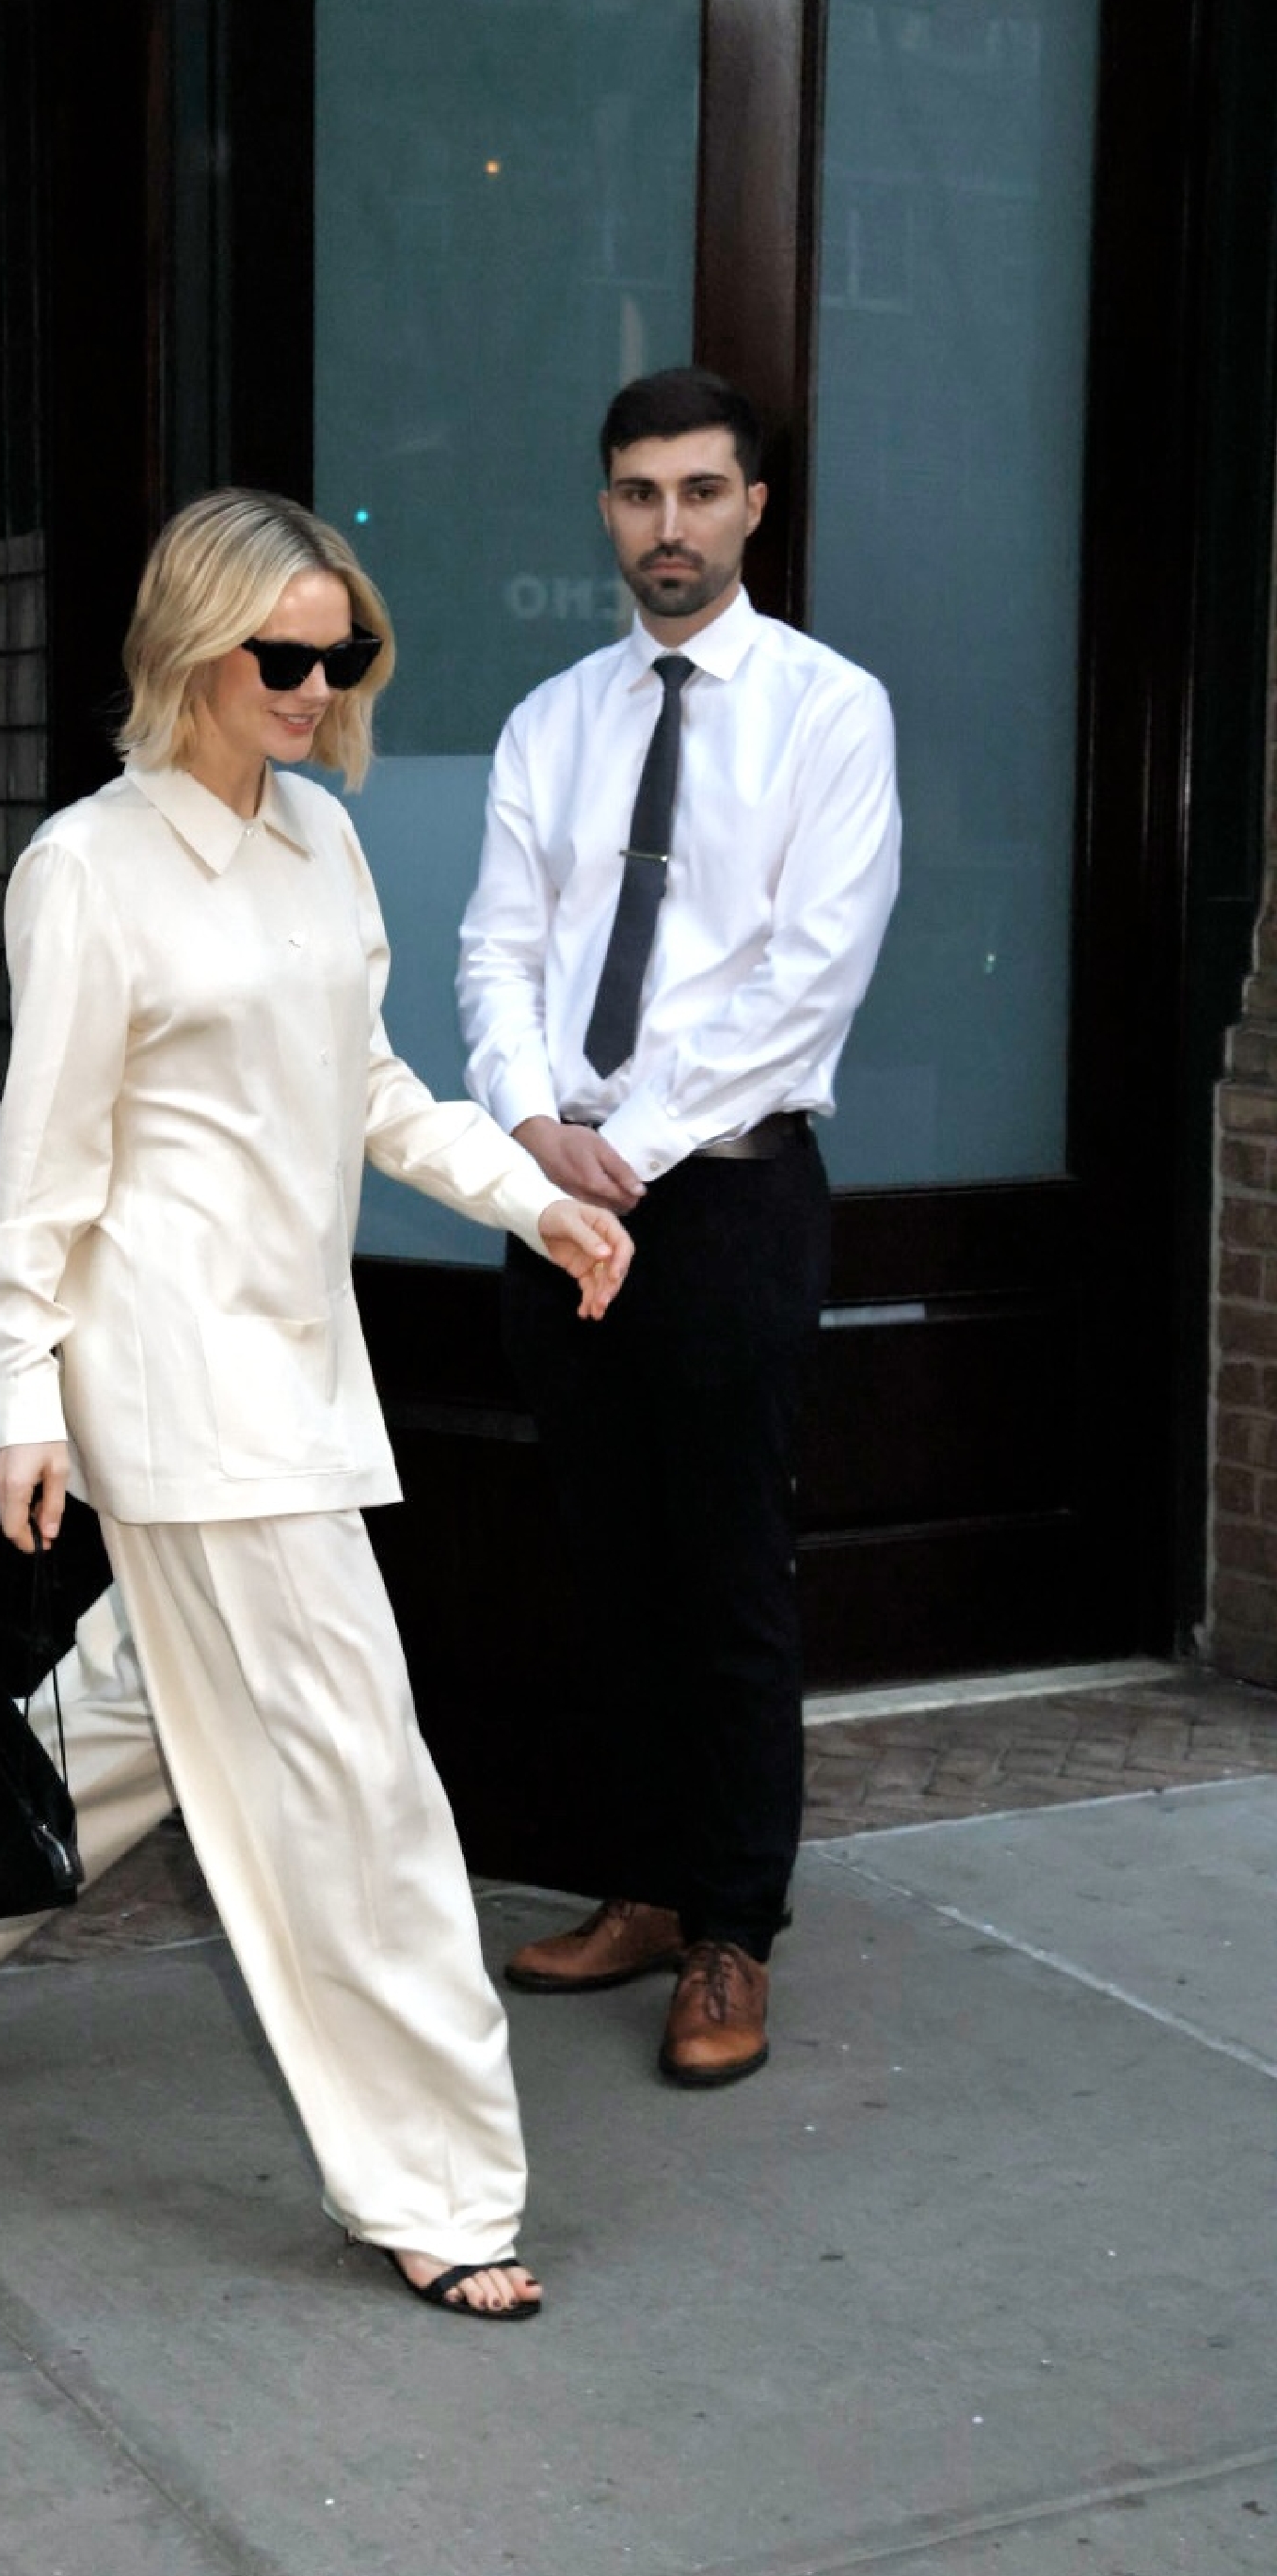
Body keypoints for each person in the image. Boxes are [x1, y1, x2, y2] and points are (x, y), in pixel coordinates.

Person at [0, 487, 632, 2323]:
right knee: (354, 1778)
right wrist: (25, 1392)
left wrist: (530, 1192)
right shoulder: (87, 869)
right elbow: (42, 1171)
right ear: (188, 643)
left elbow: (375, 1092)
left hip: (293, 1366)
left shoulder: (324, 847)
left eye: (343, 651)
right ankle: (431, 2184)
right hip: (172, 1380)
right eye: (284, 649)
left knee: (144, 1701)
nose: (316, 680)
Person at [457, 367, 900, 2088]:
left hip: (723, 1201)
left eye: (701, 492)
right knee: (607, 1562)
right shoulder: (550, 721)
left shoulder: (830, 714)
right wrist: (525, 1130)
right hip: (555, 1203)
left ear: (754, 507)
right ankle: (640, 1888)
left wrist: (612, 1147)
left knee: (725, 1571)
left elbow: (806, 984)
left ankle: (734, 1931)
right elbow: (498, 948)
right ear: (605, 507)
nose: (669, 526)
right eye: (638, 493)